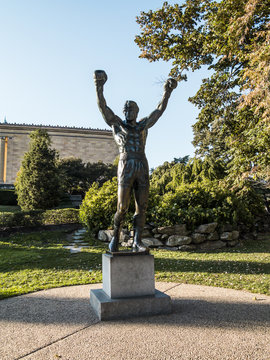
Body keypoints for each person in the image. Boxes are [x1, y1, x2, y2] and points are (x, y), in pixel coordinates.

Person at [94, 70, 177, 252]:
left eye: (130, 109)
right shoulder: (118, 124)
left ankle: (137, 241)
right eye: (125, 109)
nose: (127, 111)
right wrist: (99, 86)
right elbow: (103, 108)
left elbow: (159, 110)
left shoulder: (142, 125)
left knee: (142, 205)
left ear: (137, 111)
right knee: (122, 207)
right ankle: (115, 238)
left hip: (141, 163)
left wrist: (167, 92)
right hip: (126, 164)